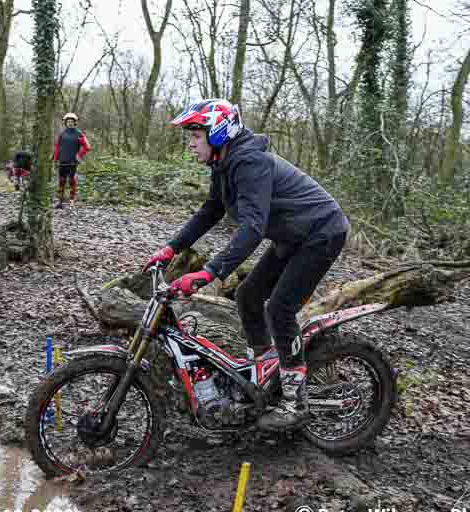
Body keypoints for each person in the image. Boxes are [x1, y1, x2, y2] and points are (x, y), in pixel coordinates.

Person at [143, 98, 350, 431]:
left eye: (195, 137)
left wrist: (210, 271)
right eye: (189, 138)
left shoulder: (250, 163)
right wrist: (171, 248)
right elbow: (211, 211)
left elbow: (252, 227)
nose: (190, 145)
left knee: (281, 308)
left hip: (321, 233)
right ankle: (267, 373)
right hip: (293, 235)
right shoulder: (224, 166)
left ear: (218, 133)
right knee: (248, 296)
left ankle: (293, 401)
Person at [53, 112, 90, 208]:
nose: (70, 123)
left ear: (75, 122)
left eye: (72, 121)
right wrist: (55, 159)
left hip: (73, 161)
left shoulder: (79, 134)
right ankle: (60, 201)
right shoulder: (62, 134)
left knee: (72, 181)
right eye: (68, 121)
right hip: (62, 160)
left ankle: (71, 201)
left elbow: (87, 147)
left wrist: (79, 155)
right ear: (65, 122)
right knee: (61, 181)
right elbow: (57, 147)